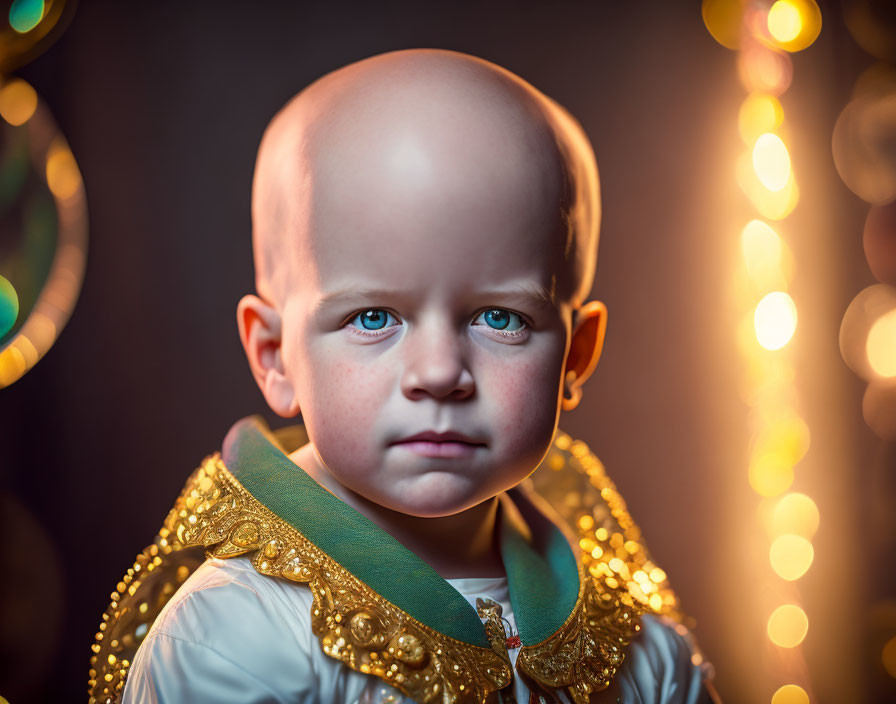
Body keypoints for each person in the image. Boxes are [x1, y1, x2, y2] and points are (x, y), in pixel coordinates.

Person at [90, 48, 719, 703]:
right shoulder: (232, 644)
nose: (440, 372)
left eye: (501, 318)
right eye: (372, 318)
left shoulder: (642, 651)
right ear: (276, 356)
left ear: (575, 356)